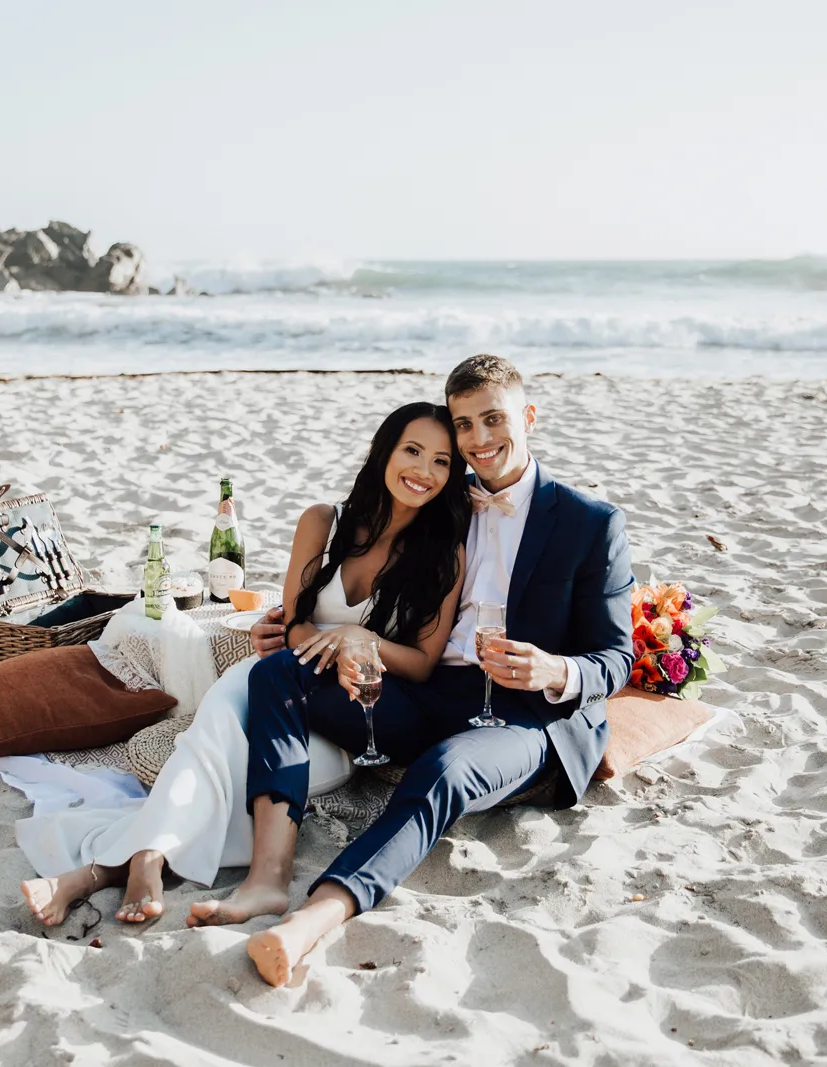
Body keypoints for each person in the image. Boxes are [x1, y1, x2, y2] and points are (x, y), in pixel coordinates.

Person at [194, 353, 635, 987]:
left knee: (445, 768)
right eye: (463, 425)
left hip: (526, 713)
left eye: (493, 420)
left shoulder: (591, 523)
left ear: (528, 416)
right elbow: (359, 552)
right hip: (426, 689)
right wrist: (292, 621)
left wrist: (553, 670)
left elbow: (616, 658)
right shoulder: (439, 492)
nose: (478, 440)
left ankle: (317, 916)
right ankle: (267, 877)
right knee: (277, 673)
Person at [19, 401, 470, 926]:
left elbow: (420, 663)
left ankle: (107, 868)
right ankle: (141, 861)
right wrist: (328, 639)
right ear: (384, 452)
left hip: (347, 709)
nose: (424, 471)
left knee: (227, 762)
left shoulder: (445, 551)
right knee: (216, 739)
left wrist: (359, 638)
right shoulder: (324, 522)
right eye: (412, 451)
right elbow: (295, 623)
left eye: (442, 461)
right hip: (282, 679)